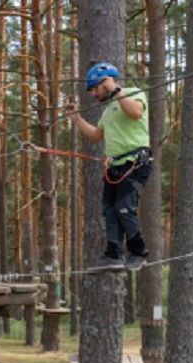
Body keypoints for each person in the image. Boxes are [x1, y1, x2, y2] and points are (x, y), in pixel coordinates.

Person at [66, 62, 151, 271]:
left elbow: (136, 112)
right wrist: (76, 119)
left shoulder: (133, 93)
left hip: (135, 163)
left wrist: (116, 91)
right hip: (115, 167)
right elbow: (96, 136)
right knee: (109, 211)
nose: (94, 94)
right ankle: (113, 255)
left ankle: (138, 251)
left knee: (124, 208)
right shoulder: (108, 111)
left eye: (95, 88)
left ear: (106, 82)